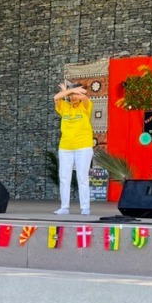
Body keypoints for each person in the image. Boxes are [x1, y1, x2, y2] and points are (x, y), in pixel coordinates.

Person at [53, 82, 94, 215]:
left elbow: (84, 97)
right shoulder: (64, 107)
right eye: (71, 94)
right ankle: (64, 207)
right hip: (65, 147)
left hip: (83, 146)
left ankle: (85, 207)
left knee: (82, 177)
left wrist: (71, 90)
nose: (73, 97)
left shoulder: (85, 105)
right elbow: (56, 98)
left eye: (74, 94)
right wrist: (69, 91)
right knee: (64, 177)